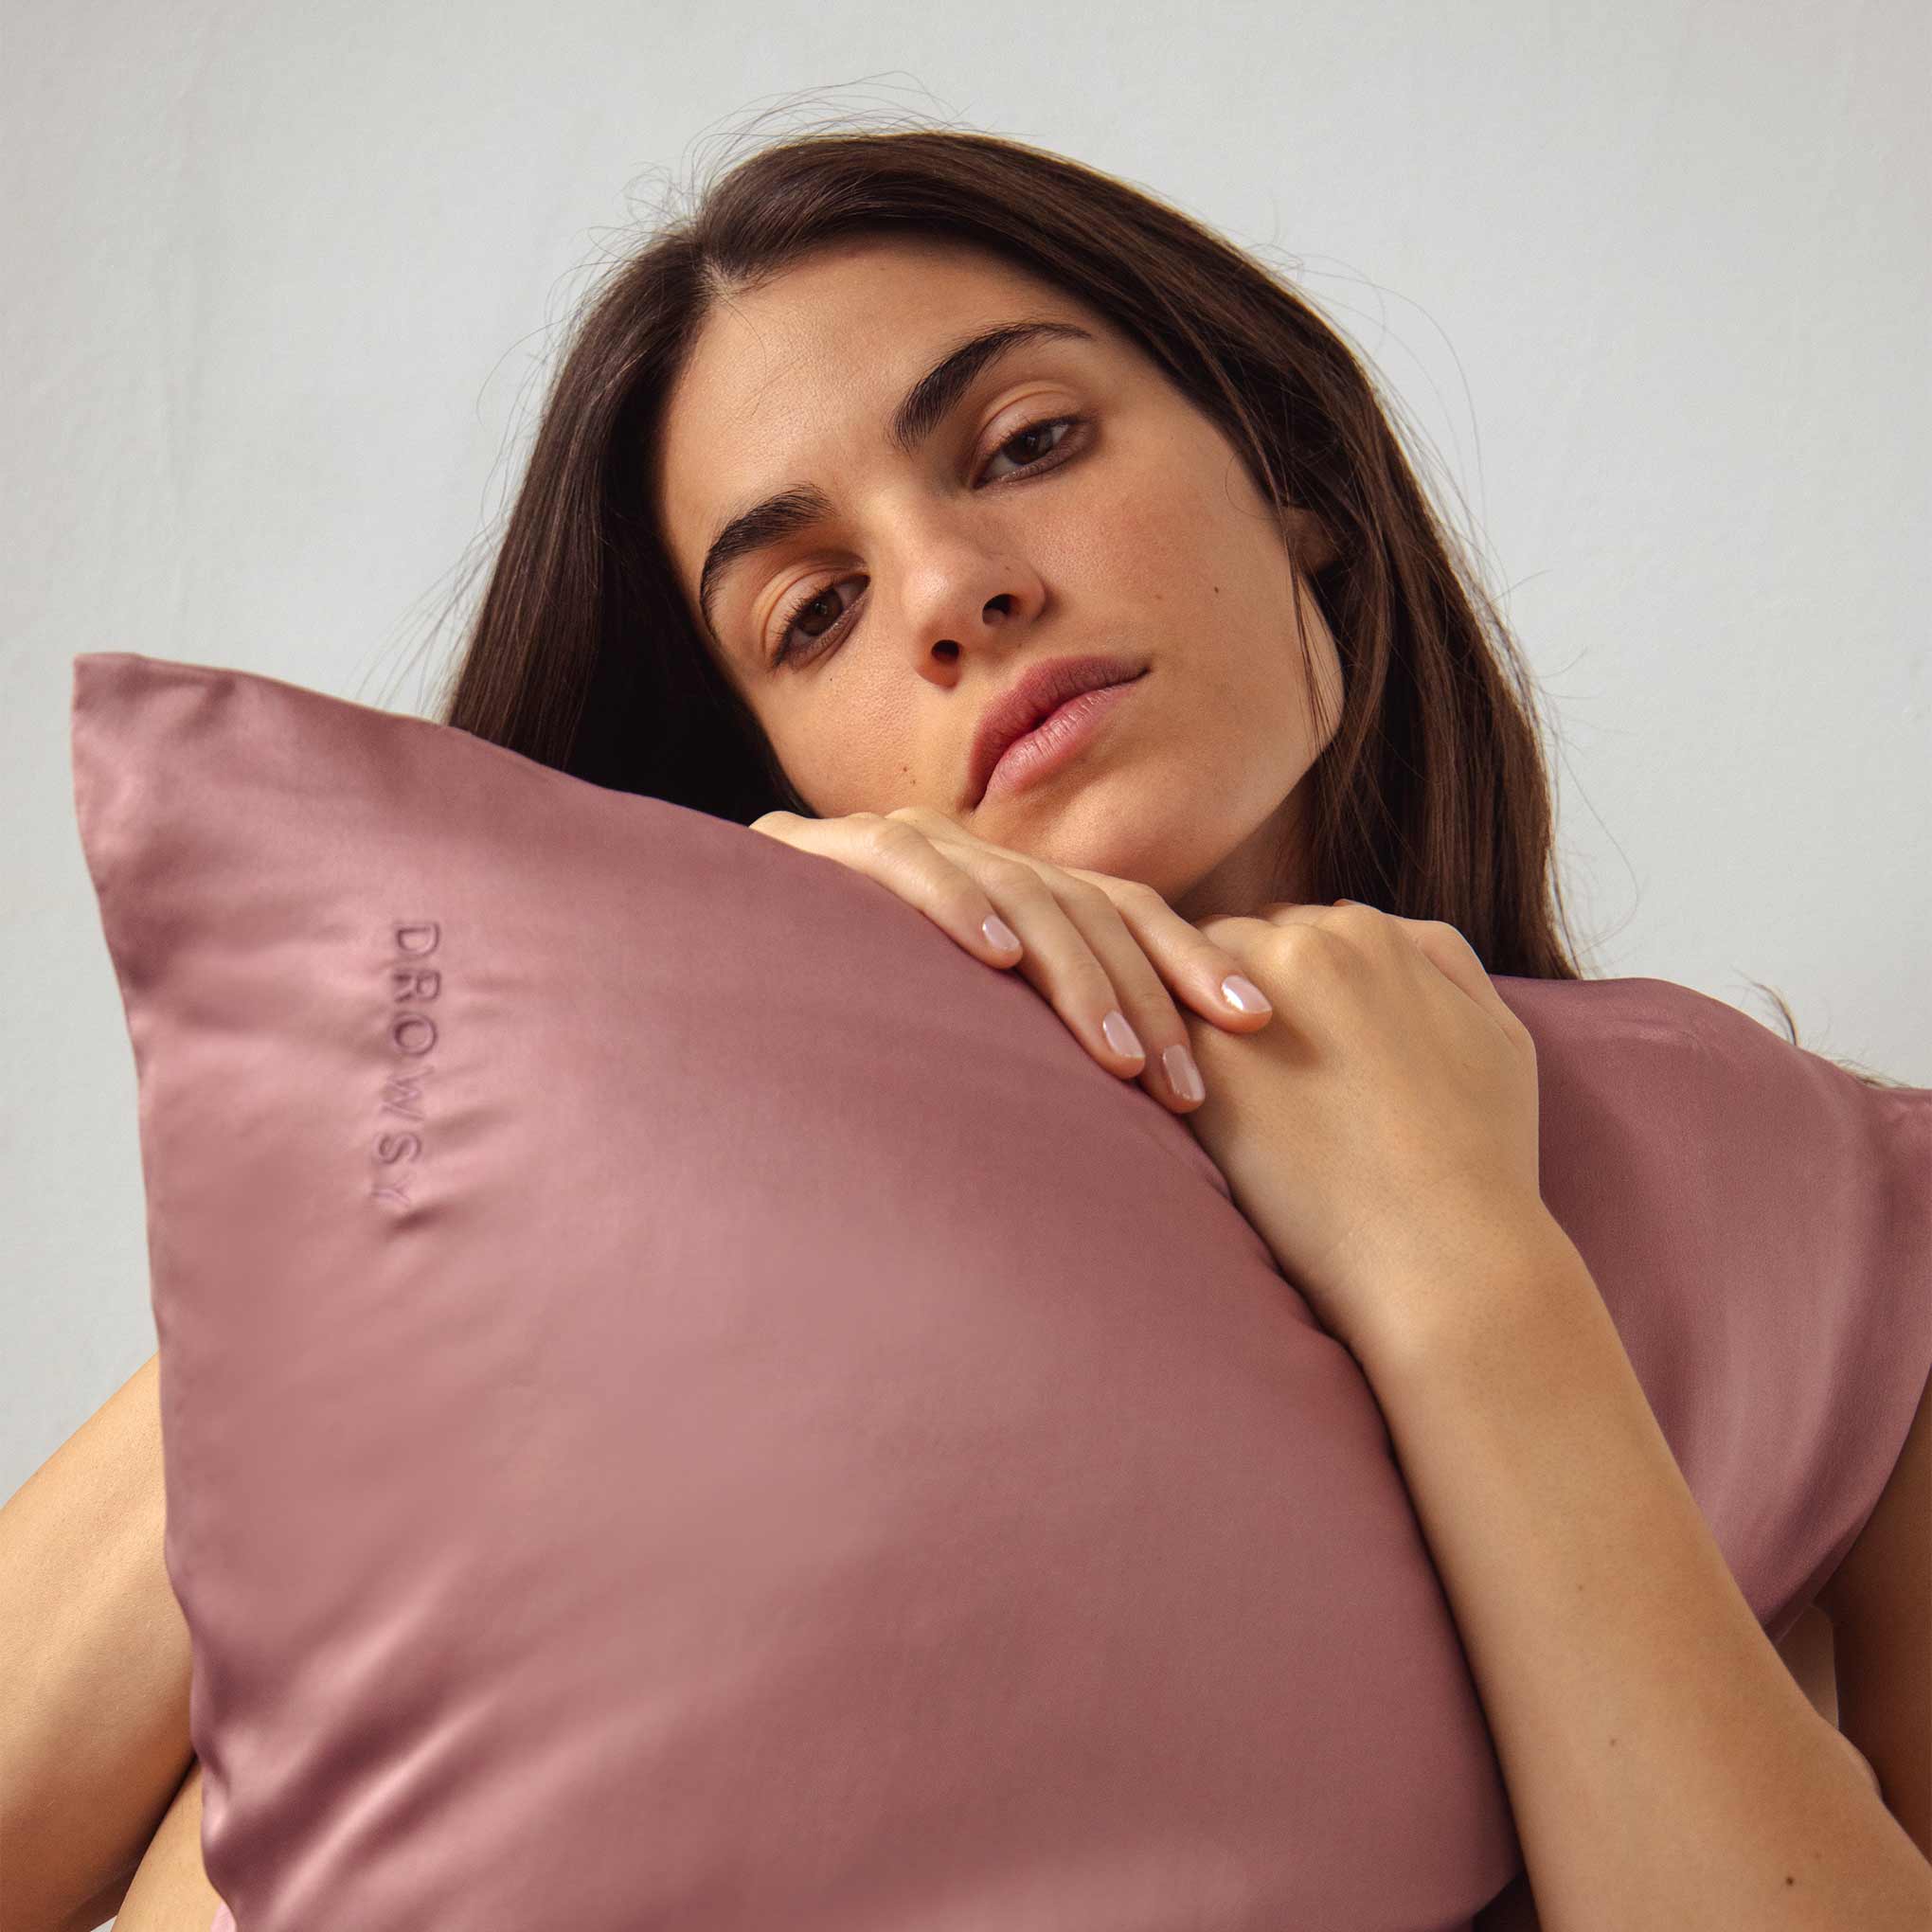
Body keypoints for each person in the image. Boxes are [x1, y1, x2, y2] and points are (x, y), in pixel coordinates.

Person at [4, 121, 1920, 1931]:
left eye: (1025, 443)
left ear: (1295, 484)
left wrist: (1466, 1269)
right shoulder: (597, 1223)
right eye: (814, 609)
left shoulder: (1815, 1221)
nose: (951, 592)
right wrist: (638, 1041)